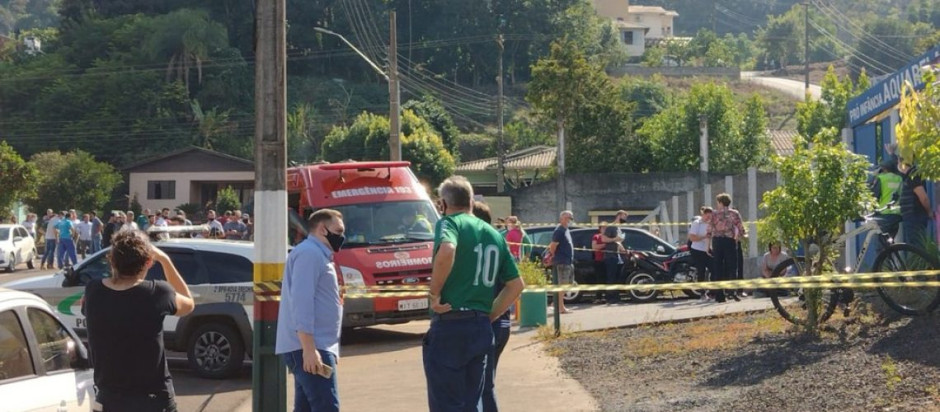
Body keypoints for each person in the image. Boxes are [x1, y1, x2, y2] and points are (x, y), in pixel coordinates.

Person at [425, 176, 523, 412]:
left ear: (443, 204)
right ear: (470, 200)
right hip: (480, 327)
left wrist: (434, 292)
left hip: (450, 324)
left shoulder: (449, 223)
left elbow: (448, 249)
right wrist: (488, 315)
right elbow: (516, 285)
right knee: (473, 401)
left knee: (447, 402)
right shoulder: (494, 234)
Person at [82, 230, 195, 411]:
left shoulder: (93, 290)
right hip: (153, 399)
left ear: (111, 260)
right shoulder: (158, 292)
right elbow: (188, 305)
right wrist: (165, 260)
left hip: (108, 399)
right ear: (149, 262)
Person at [276, 209, 346, 412]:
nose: (342, 236)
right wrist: (309, 349)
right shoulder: (310, 254)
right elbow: (302, 302)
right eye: (338, 230)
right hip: (310, 347)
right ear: (323, 229)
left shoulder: (316, 254)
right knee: (327, 407)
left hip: (314, 346)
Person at [470, 201, 514, 412]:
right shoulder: (499, 243)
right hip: (501, 323)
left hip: (486, 323)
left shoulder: (474, 248)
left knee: (481, 387)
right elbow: (514, 285)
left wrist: (488, 316)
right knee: (486, 385)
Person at [707, 193, 746, 303]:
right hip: (729, 241)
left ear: (720, 202)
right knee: (732, 266)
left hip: (717, 242)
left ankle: (720, 295)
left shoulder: (714, 214)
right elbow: (740, 227)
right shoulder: (734, 213)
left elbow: (709, 230)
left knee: (718, 267)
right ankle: (732, 291)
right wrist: (740, 236)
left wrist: (708, 246)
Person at [898, 159, 935, 249]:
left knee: (917, 246)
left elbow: (924, 198)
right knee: (915, 244)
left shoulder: (913, 176)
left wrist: (929, 212)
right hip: (912, 216)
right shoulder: (909, 176)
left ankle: (921, 263)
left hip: (915, 216)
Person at [869, 155, 903, 239]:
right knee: (890, 243)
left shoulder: (881, 178)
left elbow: (874, 196)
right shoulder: (899, 178)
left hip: (883, 214)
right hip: (896, 215)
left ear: (884, 169)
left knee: (881, 244)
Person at [548, 210, 575, 314]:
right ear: (561, 219)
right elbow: (553, 246)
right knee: (562, 285)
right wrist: (553, 256)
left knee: (567, 284)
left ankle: (556, 304)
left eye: (571, 218)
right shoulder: (559, 230)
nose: (569, 220)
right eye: (567, 218)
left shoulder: (566, 230)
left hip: (568, 261)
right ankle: (560, 307)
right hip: (562, 261)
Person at [688, 207, 713, 301]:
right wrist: (704, 237)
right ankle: (702, 294)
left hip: (708, 249)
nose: (708, 218)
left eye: (710, 216)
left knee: (714, 269)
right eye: (707, 216)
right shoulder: (697, 223)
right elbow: (692, 238)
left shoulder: (711, 224)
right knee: (701, 271)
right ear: (703, 214)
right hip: (697, 250)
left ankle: (712, 292)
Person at [601, 221, 626, 305]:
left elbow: (619, 243)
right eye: (624, 216)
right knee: (611, 278)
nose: (625, 219)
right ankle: (610, 298)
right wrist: (615, 239)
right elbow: (603, 239)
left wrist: (623, 249)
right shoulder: (611, 227)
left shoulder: (619, 229)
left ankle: (616, 297)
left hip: (618, 258)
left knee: (616, 278)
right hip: (610, 257)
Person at [591, 224, 608, 303]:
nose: (605, 229)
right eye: (603, 228)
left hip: (608, 260)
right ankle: (598, 297)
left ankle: (606, 296)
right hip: (599, 260)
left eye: (606, 228)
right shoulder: (596, 236)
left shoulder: (609, 237)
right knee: (599, 279)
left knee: (607, 279)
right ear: (600, 229)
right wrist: (605, 244)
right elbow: (594, 247)